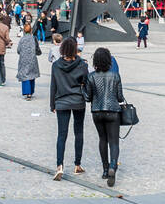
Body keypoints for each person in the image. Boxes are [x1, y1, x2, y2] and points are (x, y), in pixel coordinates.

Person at [49, 36, 88, 180]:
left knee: (61, 135)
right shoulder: (82, 65)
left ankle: (59, 166)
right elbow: (86, 83)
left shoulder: (56, 65)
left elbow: (53, 85)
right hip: (78, 101)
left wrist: (52, 104)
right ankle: (77, 165)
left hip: (61, 102)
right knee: (79, 133)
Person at [85, 47, 125, 186]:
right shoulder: (115, 76)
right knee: (114, 142)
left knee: (103, 139)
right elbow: (120, 97)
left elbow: (88, 97)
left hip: (97, 111)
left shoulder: (91, 76)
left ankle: (105, 169)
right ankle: (113, 166)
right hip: (113, 111)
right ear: (109, 60)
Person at [16, 18, 40, 99]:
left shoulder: (22, 39)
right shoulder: (34, 38)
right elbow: (37, 49)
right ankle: (31, 91)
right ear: (31, 30)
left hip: (23, 59)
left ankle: (27, 92)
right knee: (31, 75)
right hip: (32, 59)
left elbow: (18, 50)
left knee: (25, 75)